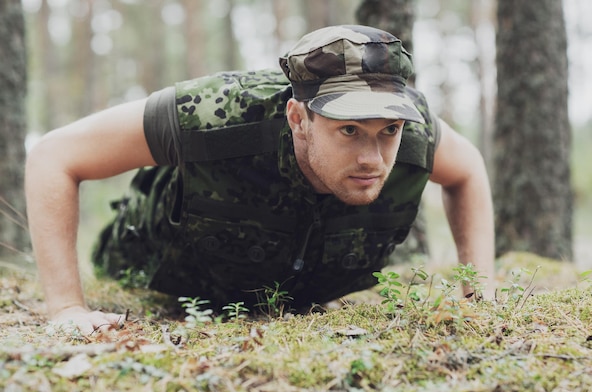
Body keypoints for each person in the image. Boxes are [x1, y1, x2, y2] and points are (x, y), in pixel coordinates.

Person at [25, 25, 495, 335]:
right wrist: (67, 309)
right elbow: (54, 156)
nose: (372, 158)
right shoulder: (213, 116)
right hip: (163, 267)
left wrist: (479, 294)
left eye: (386, 131)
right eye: (349, 130)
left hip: (303, 287)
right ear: (298, 118)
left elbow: (468, 169)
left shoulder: (415, 133)